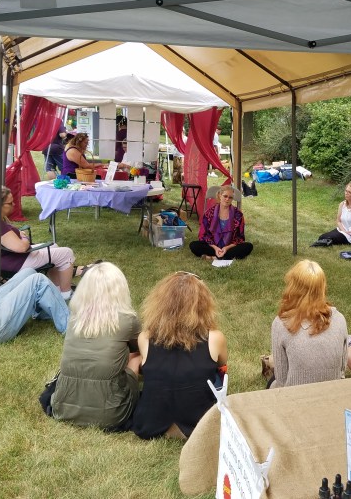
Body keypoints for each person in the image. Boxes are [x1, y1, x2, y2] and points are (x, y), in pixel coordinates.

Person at [43, 262, 141, 429]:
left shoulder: (75, 318)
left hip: (63, 406)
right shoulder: (127, 320)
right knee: (136, 356)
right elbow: (138, 348)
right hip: (111, 413)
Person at [132, 272, 227, 439]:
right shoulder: (215, 338)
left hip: (151, 423)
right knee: (219, 376)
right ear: (203, 305)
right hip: (198, 423)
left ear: (160, 304)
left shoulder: (145, 338)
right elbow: (223, 367)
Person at [269, 260, 348, 388]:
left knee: (271, 383)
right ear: (322, 286)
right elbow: (342, 370)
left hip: (295, 396)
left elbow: (281, 380)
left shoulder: (281, 324)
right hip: (333, 391)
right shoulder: (340, 319)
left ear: (292, 286)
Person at [0, 186, 84, 298]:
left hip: (10, 258)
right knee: (67, 253)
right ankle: (66, 294)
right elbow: (22, 247)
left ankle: (56, 289)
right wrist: (24, 237)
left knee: (54, 246)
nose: (14, 204)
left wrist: (19, 235)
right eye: (10, 203)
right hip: (16, 262)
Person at [189, 186, 253, 261]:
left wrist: (226, 248)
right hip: (213, 246)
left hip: (229, 247)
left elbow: (240, 237)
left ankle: (215, 257)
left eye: (230, 197)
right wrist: (215, 248)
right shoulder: (209, 213)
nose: (227, 199)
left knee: (248, 246)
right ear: (220, 195)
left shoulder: (238, 215)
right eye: (225, 196)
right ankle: (224, 256)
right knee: (194, 245)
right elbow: (203, 235)